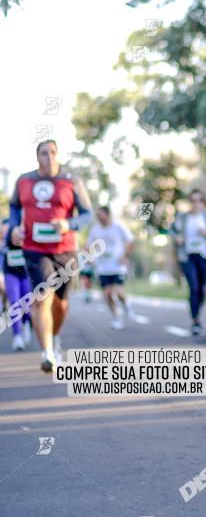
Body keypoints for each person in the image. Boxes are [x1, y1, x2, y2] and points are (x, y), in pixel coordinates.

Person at [9, 140, 92, 372]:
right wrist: (15, 227)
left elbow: (87, 214)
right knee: (42, 296)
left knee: (61, 303)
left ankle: (54, 337)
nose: (49, 157)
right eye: (44, 153)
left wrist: (69, 223)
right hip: (34, 249)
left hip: (65, 250)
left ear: (58, 155)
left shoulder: (71, 181)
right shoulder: (24, 180)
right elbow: (14, 207)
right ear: (37, 157)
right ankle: (47, 353)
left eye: (53, 152)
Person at [171, 189, 206, 335]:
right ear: (190, 202)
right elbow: (172, 230)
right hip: (187, 256)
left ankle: (197, 316)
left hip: (203, 255)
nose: (196, 203)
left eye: (199, 200)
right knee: (194, 287)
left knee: (202, 288)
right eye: (193, 200)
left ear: (203, 202)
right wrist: (177, 238)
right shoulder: (183, 217)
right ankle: (195, 321)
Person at [87, 206, 134, 329]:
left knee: (119, 292)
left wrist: (126, 256)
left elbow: (130, 240)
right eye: (97, 216)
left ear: (108, 215)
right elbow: (87, 246)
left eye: (101, 215)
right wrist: (90, 258)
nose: (99, 218)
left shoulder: (118, 226)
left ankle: (127, 305)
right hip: (102, 267)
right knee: (107, 294)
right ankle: (116, 317)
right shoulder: (95, 229)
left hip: (117, 266)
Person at [1, 217, 33, 351]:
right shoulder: (3, 245)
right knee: (14, 302)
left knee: (26, 303)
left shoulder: (28, 240)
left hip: (26, 275)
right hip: (11, 274)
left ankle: (27, 324)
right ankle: (17, 336)